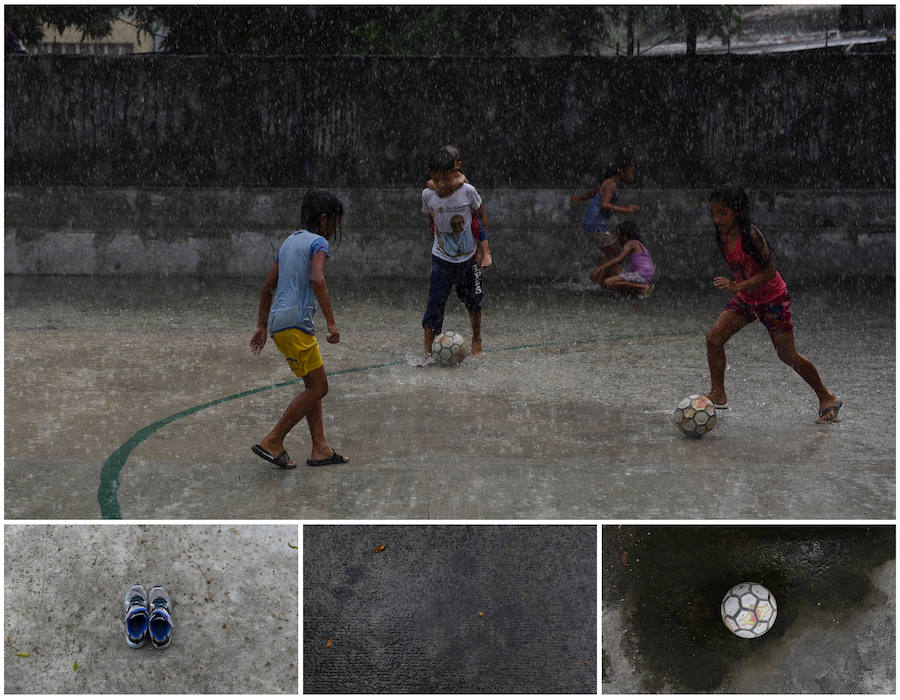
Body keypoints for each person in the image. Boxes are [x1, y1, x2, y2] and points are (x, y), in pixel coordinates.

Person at [704, 185, 841, 423]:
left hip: (772, 300)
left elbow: (770, 271)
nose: (717, 219)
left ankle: (826, 396)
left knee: (787, 355)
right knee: (714, 338)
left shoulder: (751, 235)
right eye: (714, 213)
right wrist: (742, 289)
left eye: (723, 212)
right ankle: (718, 393)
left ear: (738, 210)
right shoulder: (723, 234)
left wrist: (738, 286)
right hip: (748, 299)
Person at [249, 188, 350, 468]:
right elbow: (317, 279)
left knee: (312, 386)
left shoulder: (288, 242)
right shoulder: (318, 243)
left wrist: (260, 326)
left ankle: (320, 448)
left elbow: (267, 287)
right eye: (336, 223)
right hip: (297, 324)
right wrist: (331, 322)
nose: (335, 229)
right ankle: (273, 439)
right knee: (320, 387)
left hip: (279, 324)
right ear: (325, 219)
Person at [419, 149, 490, 365]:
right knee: (434, 304)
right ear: (430, 174)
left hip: (468, 257)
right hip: (441, 257)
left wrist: (482, 249)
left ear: (456, 172)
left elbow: (481, 215)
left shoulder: (468, 191)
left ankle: (477, 338)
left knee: (474, 301)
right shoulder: (427, 194)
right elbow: (429, 214)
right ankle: (428, 352)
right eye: (437, 179)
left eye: (447, 179)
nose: (442, 185)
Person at [570, 151, 640, 276]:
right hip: (595, 226)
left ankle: (600, 279)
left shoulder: (608, 182)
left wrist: (580, 198)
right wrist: (627, 210)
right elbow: (605, 205)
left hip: (592, 225)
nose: (632, 175)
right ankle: (621, 280)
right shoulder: (611, 184)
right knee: (616, 254)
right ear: (622, 172)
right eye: (631, 171)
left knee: (612, 254)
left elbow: (593, 192)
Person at [426, 144, 492, 269]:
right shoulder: (437, 181)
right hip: (444, 236)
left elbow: (481, 213)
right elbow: (430, 184)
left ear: (457, 165)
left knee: (476, 225)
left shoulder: (461, 180)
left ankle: (485, 251)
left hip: (464, 221)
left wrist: (479, 250)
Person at [589, 221, 656, 296]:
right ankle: (635, 291)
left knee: (608, 282)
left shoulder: (631, 243)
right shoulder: (637, 243)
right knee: (612, 270)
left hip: (641, 275)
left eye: (619, 236)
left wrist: (599, 268)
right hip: (646, 275)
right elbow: (618, 263)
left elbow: (618, 259)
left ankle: (641, 288)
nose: (617, 239)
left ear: (625, 237)